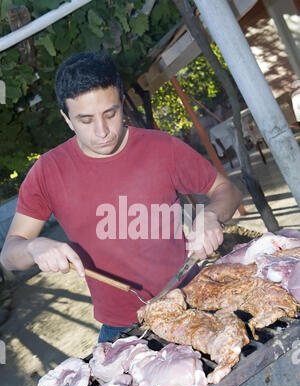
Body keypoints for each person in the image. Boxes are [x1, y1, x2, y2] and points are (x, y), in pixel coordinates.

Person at [0, 51, 242, 343]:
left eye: (110, 114)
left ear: (122, 104)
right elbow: (9, 254)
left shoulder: (161, 148)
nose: (102, 132)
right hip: (122, 327)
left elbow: (225, 189)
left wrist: (211, 215)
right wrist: (34, 247)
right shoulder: (47, 172)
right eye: (86, 120)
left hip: (192, 296)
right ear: (67, 119)